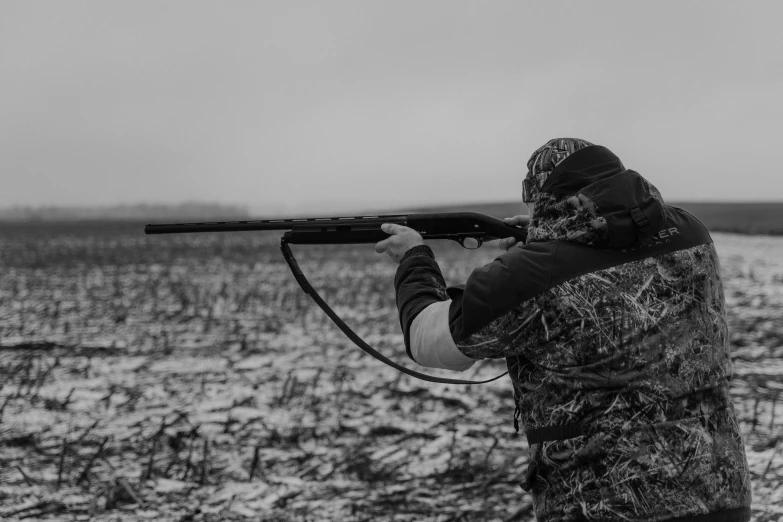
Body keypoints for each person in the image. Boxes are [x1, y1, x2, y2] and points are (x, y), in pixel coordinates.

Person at [375, 138, 752, 522]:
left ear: (541, 197)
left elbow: (429, 339)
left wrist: (413, 259)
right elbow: (607, 250)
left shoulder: (533, 275)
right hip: (720, 491)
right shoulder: (691, 233)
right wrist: (542, 241)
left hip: (609, 506)